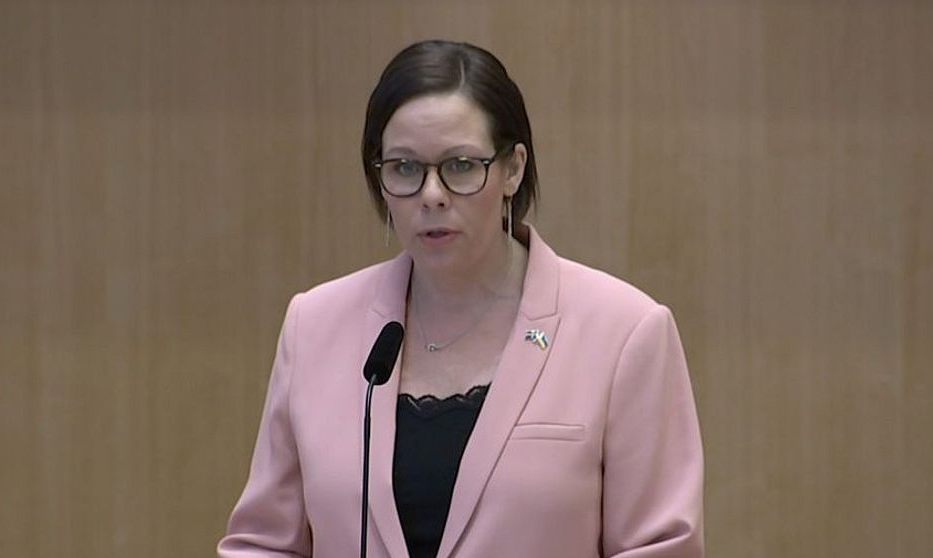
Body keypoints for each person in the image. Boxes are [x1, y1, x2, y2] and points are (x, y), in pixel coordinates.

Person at [218, 40, 703, 558]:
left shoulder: (624, 331)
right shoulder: (315, 326)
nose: (432, 194)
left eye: (461, 165)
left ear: (512, 169)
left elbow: (661, 547)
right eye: (405, 168)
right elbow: (264, 545)